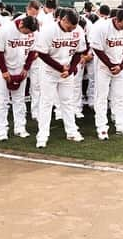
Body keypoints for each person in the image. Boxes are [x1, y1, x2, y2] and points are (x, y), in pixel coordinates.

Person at [33, 8, 87, 148]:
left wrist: (71, 69)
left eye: (74, 27)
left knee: (67, 101)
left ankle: (71, 131)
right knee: (46, 102)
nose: (72, 29)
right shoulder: (48, 30)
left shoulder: (78, 30)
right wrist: (60, 68)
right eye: (70, 26)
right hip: (49, 71)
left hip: (66, 71)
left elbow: (79, 52)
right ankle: (42, 135)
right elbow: (42, 54)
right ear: (62, 20)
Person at [90, 8, 123, 139]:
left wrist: (121, 66)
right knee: (101, 97)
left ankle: (121, 125)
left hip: (120, 66)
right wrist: (111, 65)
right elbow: (97, 49)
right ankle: (102, 128)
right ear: (117, 19)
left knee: (119, 97)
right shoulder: (102, 27)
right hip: (103, 67)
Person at [0, 14, 38, 141]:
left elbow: (33, 51)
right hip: (4, 67)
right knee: (2, 100)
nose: (27, 34)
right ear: (21, 24)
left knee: (19, 99)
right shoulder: (5, 30)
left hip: (20, 67)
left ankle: (20, 128)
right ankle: (1, 130)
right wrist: (4, 71)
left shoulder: (33, 33)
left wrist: (26, 68)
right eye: (26, 31)